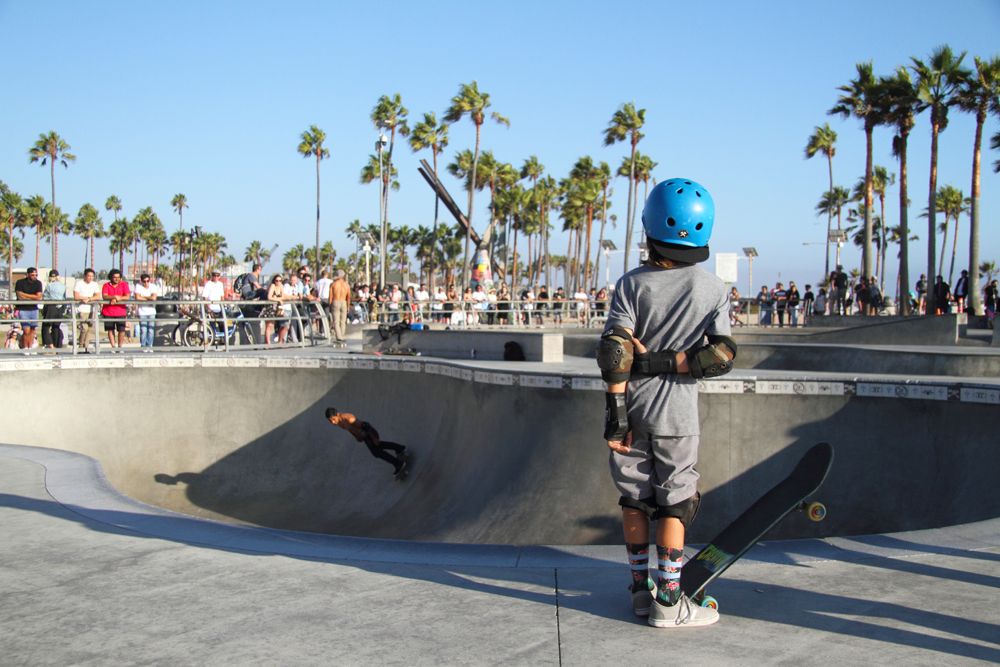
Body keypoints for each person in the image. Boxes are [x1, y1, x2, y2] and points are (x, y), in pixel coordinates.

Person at [600, 178, 733, 628]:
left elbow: (615, 351)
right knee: (676, 502)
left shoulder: (631, 284)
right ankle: (669, 601)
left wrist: (616, 416)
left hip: (632, 409)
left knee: (634, 501)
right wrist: (673, 361)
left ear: (650, 224)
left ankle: (640, 593)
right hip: (678, 414)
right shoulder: (713, 288)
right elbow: (722, 356)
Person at [325, 407, 409, 479]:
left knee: (377, 450)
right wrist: (356, 437)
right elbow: (350, 430)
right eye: (330, 421)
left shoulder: (348, 418)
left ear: (337, 414)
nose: (332, 422)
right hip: (365, 437)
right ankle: (399, 449)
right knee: (377, 451)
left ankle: (398, 462)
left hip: (369, 432)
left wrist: (373, 438)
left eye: (333, 419)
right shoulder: (339, 423)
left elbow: (365, 426)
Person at [14, 267, 43, 353]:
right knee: (26, 330)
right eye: (32, 275)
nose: (34, 276)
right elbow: (19, 296)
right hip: (23, 309)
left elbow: (39, 297)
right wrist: (32, 297)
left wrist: (25, 296)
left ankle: (30, 347)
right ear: (28, 274)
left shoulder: (38, 283)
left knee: (33, 330)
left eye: (36, 275)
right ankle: (25, 348)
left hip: (34, 309)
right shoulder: (20, 282)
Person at [101, 268, 130, 352]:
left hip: (121, 311)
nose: (116, 279)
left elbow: (127, 296)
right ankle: (113, 347)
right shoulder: (106, 285)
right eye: (114, 277)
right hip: (108, 311)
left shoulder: (124, 284)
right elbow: (105, 296)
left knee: (121, 330)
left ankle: (120, 347)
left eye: (118, 277)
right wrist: (113, 297)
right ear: (111, 277)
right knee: (110, 330)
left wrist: (118, 298)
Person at [74, 268, 101, 352]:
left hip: (92, 309)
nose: (90, 278)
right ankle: (81, 345)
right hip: (82, 309)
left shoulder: (95, 284)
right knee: (84, 328)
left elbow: (97, 296)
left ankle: (86, 346)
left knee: (90, 329)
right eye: (89, 276)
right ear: (85, 276)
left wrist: (89, 299)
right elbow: (76, 296)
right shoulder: (79, 283)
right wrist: (84, 298)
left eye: (92, 276)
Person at [41, 269, 67, 350]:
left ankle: (50, 344)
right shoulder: (63, 286)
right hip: (60, 307)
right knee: (56, 327)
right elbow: (64, 297)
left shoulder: (49, 285)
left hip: (51, 306)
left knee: (45, 327)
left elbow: (45, 296)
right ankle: (56, 346)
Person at [134, 273, 159, 351]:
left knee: (151, 330)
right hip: (142, 312)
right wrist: (149, 298)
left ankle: (150, 345)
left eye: (148, 281)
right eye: (144, 281)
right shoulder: (138, 286)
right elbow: (137, 297)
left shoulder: (153, 286)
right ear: (141, 281)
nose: (146, 283)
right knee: (143, 330)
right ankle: (143, 346)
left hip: (151, 312)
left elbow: (154, 298)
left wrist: (143, 296)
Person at [328, 269, 351, 346]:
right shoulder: (347, 285)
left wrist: (330, 305)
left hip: (336, 301)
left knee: (336, 321)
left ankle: (339, 337)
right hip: (344, 302)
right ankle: (342, 335)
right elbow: (348, 297)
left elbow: (330, 296)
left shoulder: (333, 284)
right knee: (343, 321)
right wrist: (348, 306)